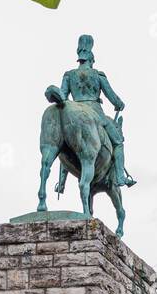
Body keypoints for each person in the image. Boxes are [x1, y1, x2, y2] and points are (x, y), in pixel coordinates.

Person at [55, 34, 136, 188]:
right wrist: (119, 104)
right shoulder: (97, 75)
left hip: (74, 110)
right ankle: (120, 177)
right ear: (91, 60)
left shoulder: (69, 75)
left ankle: (61, 183)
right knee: (118, 142)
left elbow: (63, 97)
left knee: (64, 141)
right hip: (96, 113)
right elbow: (111, 96)